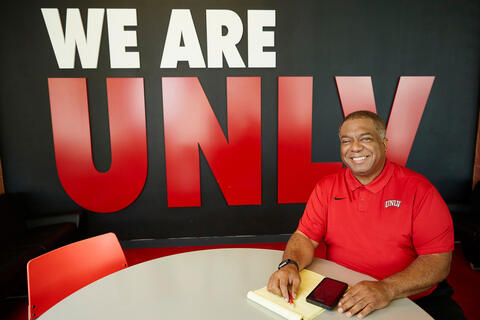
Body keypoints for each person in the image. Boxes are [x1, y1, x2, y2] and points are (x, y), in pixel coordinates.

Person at [267, 110, 465, 319]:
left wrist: (386, 288)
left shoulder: (420, 191)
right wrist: (290, 265)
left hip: (411, 297)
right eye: (346, 141)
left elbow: (437, 261)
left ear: (385, 144)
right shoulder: (326, 187)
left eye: (365, 138)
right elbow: (305, 237)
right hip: (344, 295)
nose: (355, 147)